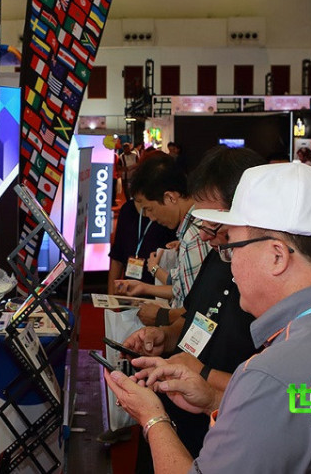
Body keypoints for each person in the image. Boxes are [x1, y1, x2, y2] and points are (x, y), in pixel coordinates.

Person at [106, 162, 311, 473]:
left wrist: (152, 418)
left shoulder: (271, 374)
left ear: (276, 256)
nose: (230, 264)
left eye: (233, 247)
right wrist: (214, 399)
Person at [122, 147, 264, 465]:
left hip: (226, 433)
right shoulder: (217, 254)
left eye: (215, 224)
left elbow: (273, 392)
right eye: (203, 222)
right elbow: (194, 315)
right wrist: (166, 336)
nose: (204, 235)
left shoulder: (267, 284)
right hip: (185, 409)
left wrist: (202, 375)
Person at [114, 154, 209, 324]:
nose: (151, 217)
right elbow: (181, 290)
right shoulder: (190, 230)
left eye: (150, 209)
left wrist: (161, 317)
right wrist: (144, 288)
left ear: (170, 197)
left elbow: (197, 310)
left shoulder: (195, 235)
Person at [108, 198, 177, 293]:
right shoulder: (128, 209)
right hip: (130, 289)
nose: (149, 215)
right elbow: (117, 255)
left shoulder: (168, 216)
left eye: (149, 209)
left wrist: (154, 269)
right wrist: (111, 296)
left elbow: (177, 288)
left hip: (159, 293)